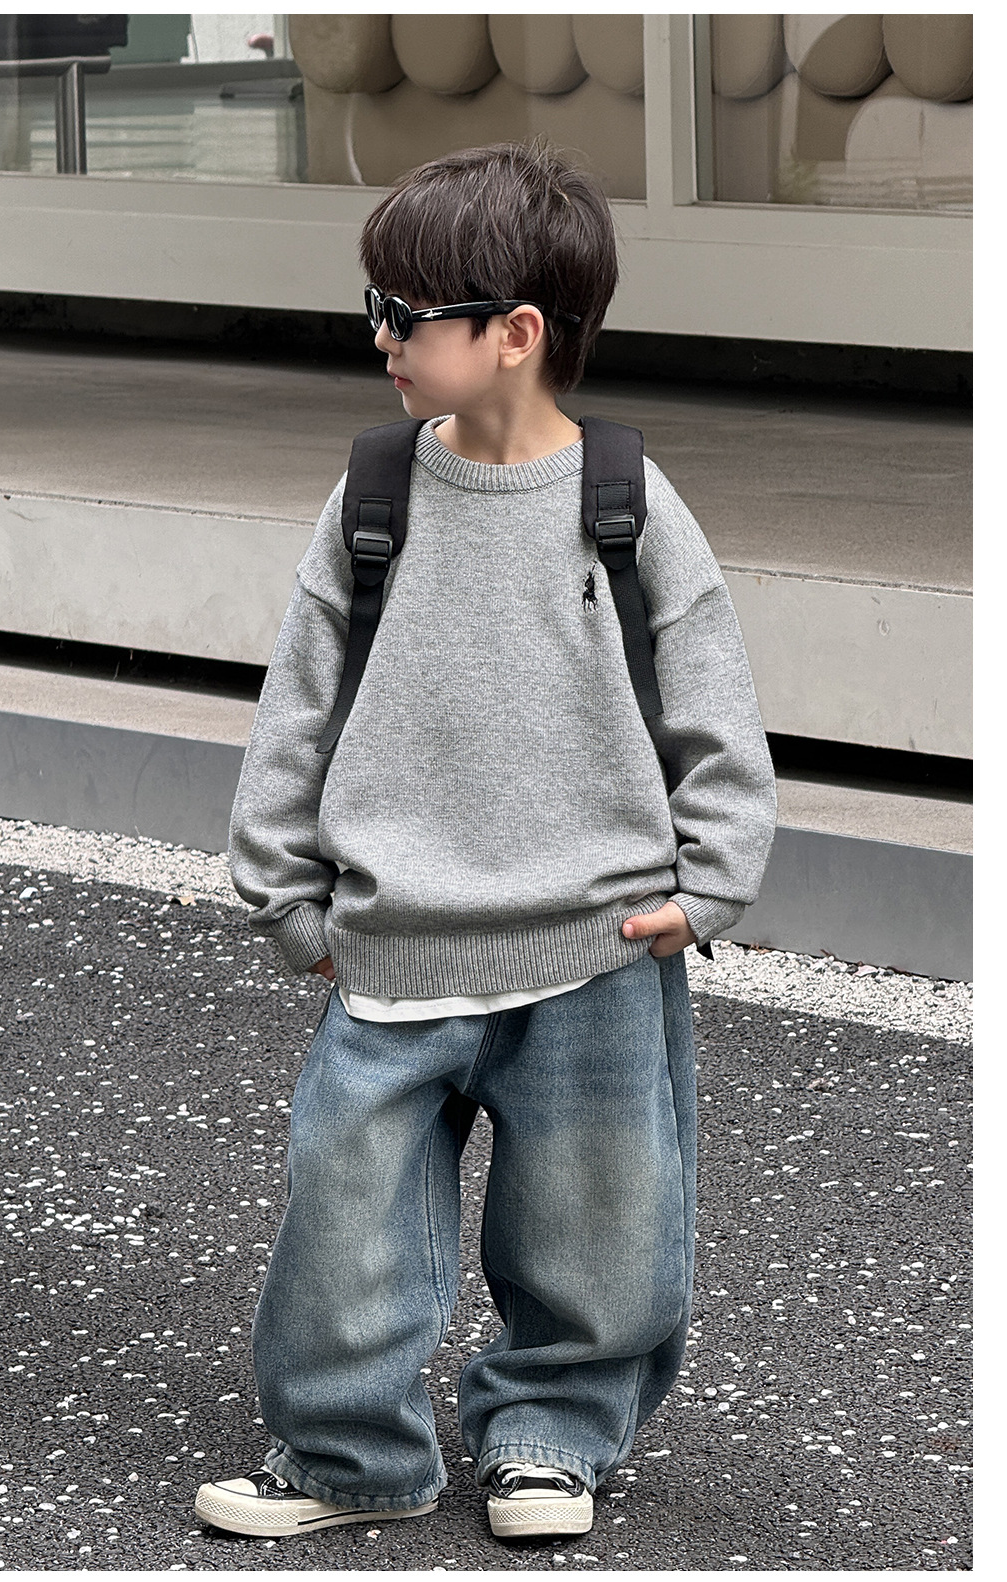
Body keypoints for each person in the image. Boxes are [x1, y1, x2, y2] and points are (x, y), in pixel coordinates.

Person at [195, 140, 777, 1543]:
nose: (381, 338)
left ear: (515, 333)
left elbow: (713, 700)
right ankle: (349, 1453)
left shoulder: (625, 503)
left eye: (404, 314)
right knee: (345, 1221)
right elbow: (299, 704)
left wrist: (709, 885)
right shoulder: (376, 497)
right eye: (376, 308)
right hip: (393, 943)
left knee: (597, 1229)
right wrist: (285, 895)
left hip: (595, 944)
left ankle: (551, 1442)